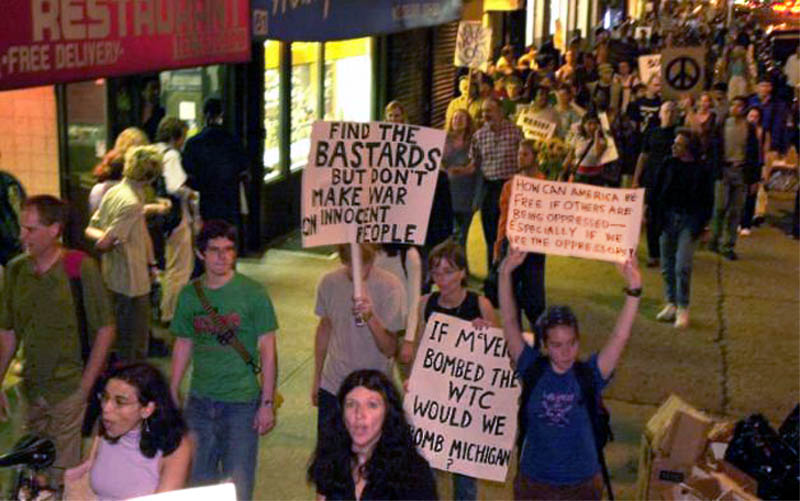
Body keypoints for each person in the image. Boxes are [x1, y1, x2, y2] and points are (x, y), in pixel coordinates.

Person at [499, 250, 641, 500]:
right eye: (556, 344)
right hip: (535, 484)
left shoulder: (590, 375)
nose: (566, 352)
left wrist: (634, 288)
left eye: (572, 343)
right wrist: (504, 273)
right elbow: (510, 320)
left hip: (582, 486)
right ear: (543, 345)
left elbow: (621, 336)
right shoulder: (531, 368)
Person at [0, 195, 115, 484]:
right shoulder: (16, 271)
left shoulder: (79, 268)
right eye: (23, 228)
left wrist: (84, 388)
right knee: (32, 472)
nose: (23, 236)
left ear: (55, 229)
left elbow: (105, 329)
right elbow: (8, 332)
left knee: (62, 476)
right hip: (33, 389)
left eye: (32, 229)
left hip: (69, 387)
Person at [170, 219, 278, 500]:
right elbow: (184, 343)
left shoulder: (253, 293)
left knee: (238, 486)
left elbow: (267, 349)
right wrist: (173, 387)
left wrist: (266, 403)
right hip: (199, 402)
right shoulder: (189, 295)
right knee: (197, 485)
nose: (222, 257)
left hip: (241, 404)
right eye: (215, 250)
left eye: (228, 250)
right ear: (200, 254)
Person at [406, 240, 495, 500]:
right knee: (427, 472)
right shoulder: (426, 303)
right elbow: (421, 349)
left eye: (449, 271)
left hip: (466, 403)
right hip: (434, 400)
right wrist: (412, 379)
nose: (442, 280)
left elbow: (500, 361)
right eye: (436, 272)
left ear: (463, 273)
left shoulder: (481, 305)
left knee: (465, 479)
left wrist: (487, 333)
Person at [312, 244, 406, 443]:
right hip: (334, 384)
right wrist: (317, 378)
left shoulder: (390, 286)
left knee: (372, 460)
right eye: (349, 263)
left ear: (373, 259)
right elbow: (325, 328)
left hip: (373, 388)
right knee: (330, 459)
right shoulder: (329, 282)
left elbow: (389, 349)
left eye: (364, 264)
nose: (357, 270)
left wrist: (370, 316)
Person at [64, 363, 192, 499]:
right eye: (105, 398)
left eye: (120, 402)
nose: (106, 409)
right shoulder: (104, 431)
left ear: (147, 409)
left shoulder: (176, 447)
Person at [308, 369, 437, 501]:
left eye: (372, 405)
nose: (359, 414)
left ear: (388, 414)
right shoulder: (331, 459)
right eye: (351, 404)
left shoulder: (415, 474)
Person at [86, 145, 163, 361]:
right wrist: (109, 239)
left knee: (119, 337)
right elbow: (106, 242)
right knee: (134, 346)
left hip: (112, 276)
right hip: (132, 282)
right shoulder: (131, 203)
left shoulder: (115, 192)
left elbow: (91, 227)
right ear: (150, 176)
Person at [648, 130, 715, 329]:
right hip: (668, 218)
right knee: (667, 263)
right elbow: (656, 189)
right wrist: (650, 212)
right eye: (674, 144)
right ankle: (671, 303)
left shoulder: (701, 169)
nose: (674, 147)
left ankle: (683, 307)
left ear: (688, 148)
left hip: (690, 220)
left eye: (678, 145)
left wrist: (705, 225)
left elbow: (707, 199)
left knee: (682, 265)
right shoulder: (668, 164)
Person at [494, 140, 547, 330]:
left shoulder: (545, 185)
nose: (520, 158)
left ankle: (539, 334)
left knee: (535, 295)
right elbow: (504, 217)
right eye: (519, 154)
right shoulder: (510, 186)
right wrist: (499, 245)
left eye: (525, 154)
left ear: (534, 157)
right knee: (511, 293)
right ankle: (514, 333)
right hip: (513, 245)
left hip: (535, 248)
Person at [153, 117, 198, 325]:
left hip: (162, 217)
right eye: (183, 136)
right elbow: (175, 186)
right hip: (177, 217)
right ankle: (172, 312)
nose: (183, 142)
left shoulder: (154, 151)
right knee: (180, 267)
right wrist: (190, 193)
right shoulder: (171, 155)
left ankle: (167, 308)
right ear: (175, 136)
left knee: (171, 265)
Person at [469, 97, 523, 271]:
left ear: (500, 112)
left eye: (489, 111)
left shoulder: (515, 132)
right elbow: (474, 164)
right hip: (488, 188)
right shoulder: (478, 135)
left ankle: (509, 271)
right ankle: (492, 271)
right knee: (490, 232)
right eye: (483, 111)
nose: (485, 115)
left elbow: (525, 159)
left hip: (509, 187)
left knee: (509, 233)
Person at [182, 97, 249, 234]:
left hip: (206, 200)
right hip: (229, 199)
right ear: (221, 114)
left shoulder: (193, 143)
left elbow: (189, 175)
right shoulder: (233, 141)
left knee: (209, 235)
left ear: (204, 114)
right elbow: (243, 170)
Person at [709, 96, 760, 260]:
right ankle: (714, 239)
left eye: (740, 105)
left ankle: (728, 244)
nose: (737, 108)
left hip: (741, 171)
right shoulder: (721, 125)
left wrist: (754, 178)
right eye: (734, 105)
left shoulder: (749, 128)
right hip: (724, 169)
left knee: (735, 210)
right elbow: (714, 148)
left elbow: (754, 154)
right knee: (719, 207)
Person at [633, 101, 679, 268]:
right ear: (660, 113)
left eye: (673, 111)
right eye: (666, 111)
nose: (669, 114)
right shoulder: (652, 133)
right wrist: (636, 179)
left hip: (672, 181)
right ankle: (654, 254)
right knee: (651, 218)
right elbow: (643, 156)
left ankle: (668, 252)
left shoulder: (679, 133)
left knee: (668, 218)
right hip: (652, 179)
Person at [443, 109, 478, 247]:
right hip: (447, 192)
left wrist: (454, 170)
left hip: (467, 194)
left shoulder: (474, 141)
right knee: (447, 235)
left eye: (462, 118)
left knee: (464, 236)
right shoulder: (443, 140)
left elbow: (473, 168)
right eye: (455, 118)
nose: (458, 120)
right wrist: (462, 170)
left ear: (468, 122)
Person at [739, 106, 767, 235]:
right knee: (739, 195)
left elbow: (765, 152)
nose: (753, 119)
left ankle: (746, 223)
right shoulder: (742, 129)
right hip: (741, 164)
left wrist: (765, 170)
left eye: (756, 117)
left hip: (756, 165)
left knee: (751, 194)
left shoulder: (763, 132)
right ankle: (738, 221)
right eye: (751, 116)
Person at [563, 112, 608, 186]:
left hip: (594, 178)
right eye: (589, 124)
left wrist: (597, 135)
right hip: (579, 176)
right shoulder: (578, 139)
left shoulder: (602, 141)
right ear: (584, 125)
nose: (592, 127)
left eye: (595, 124)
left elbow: (597, 153)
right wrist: (562, 172)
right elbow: (570, 156)